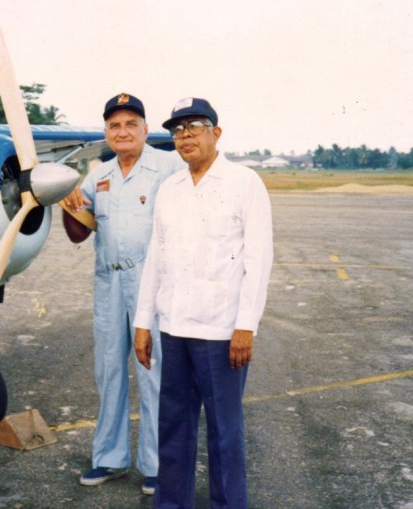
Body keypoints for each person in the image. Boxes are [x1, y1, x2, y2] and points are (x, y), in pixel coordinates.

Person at [133, 97, 274, 508]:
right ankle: (171, 503)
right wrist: (144, 323)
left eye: (195, 126)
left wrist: (245, 326)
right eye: (178, 130)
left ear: (217, 132)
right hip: (174, 329)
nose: (185, 137)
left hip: (221, 332)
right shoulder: (170, 188)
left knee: (224, 431)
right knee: (173, 426)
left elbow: (258, 260)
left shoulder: (245, 183)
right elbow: (156, 258)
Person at [63, 93, 185, 495]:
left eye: (131, 123)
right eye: (115, 125)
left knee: (154, 371)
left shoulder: (168, 167)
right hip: (109, 281)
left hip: (152, 282)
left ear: (146, 129)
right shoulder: (98, 174)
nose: (123, 131)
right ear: (106, 133)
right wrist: (67, 206)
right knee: (109, 370)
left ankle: (156, 465)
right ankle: (109, 459)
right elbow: (79, 233)